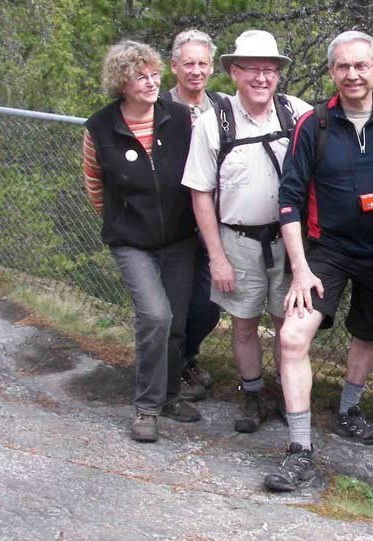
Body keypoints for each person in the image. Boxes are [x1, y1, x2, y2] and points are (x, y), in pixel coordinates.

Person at [264, 30, 373, 492]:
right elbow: (288, 198)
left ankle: (349, 411)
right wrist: (300, 268)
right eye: (343, 66)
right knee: (292, 336)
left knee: (365, 333)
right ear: (332, 72)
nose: (352, 74)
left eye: (361, 65)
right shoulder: (314, 126)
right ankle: (300, 450)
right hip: (325, 252)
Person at [181, 30, 312, 434]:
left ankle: (286, 396)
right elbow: (201, 194)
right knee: (243, 323)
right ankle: (253, 395)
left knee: (285, 324)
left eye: (269, 69)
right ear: (234, 71)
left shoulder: (298, 114)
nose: (261, 77)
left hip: (289, 241)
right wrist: (216, 255)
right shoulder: (212, 122)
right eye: (252, 68)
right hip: (236, 241)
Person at [82, 40, 200, 442]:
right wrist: (125, 222)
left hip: (181, 238)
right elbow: (94, 184)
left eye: (154, 75)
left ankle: (170, 396)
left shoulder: (183, 118)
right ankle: (146, 408)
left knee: (177, 323)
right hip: (132, 242)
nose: (151, 83)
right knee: (154, 316)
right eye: (140, 77)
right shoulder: (100, 127)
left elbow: (201, 175)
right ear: (122, 83)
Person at [162, 29, 225, 402]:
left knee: (209, 305)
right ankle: (176, 370)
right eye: (188, 63)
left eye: (202, 63)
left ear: (212, 66)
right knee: (174, 304)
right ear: (174, 67)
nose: (196, 71)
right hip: (172, 223)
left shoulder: (222, 106)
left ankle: (187, 358)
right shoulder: (159, 109)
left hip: (214, 223)